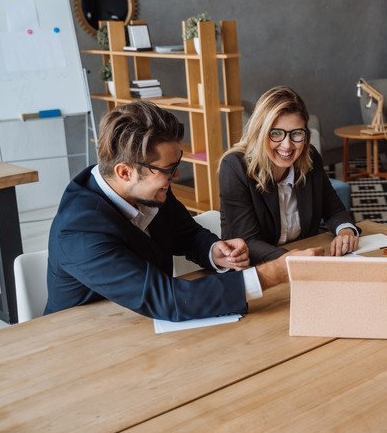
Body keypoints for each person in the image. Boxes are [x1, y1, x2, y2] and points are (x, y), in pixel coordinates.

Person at [45, 101, 321, 321]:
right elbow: (166, 298)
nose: (175, 176)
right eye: (168, 170)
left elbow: (186, 234)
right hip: (82, 344)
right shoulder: (79, 230)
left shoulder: (149, 188)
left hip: (144, 328)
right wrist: (272, 274)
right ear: (125, 171)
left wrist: (216, 252)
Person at [219, 86, 358, 263]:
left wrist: (346, 231)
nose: (287, 145)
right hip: (258, 270)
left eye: (296, 133)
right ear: (260, 132)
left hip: (305, 263)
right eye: (276, 133)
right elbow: (248, 242)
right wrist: (293, 258)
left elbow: (334, 209)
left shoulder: (310, 157)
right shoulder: (234, 167)